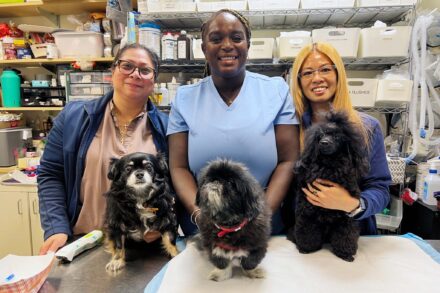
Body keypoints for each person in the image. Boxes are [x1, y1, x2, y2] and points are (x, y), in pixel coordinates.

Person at [167, 9, 300, 236]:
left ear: (248, 45)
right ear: (204, 49)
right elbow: (178, 167)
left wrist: (261, 217)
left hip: (264, 227)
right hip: (205, 231)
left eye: (236, 38)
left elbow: (288, 161)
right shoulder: (185, 97)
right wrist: (201, 215)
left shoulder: (275, 91)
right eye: (216, 39)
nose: (227, 45)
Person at [38, 43, 169, 254]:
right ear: (113, 70)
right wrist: (56, 227)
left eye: (145, 70)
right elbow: (50, 174)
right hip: (82, 241)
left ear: (154, 80)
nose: (135, 74)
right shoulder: (73, 117)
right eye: (127, 66)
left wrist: (159, 218)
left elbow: (170, 187)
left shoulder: (166, 127)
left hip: (143, 246)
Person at [290, 42, 391, 235]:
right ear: (299, 81)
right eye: (308, 73)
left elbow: (380, 188)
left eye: (325, 69)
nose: (317, 78)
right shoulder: (291, 129)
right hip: (305, 236)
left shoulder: (367, 128)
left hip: (352, 235)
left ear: (338, 74)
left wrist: (352, 204)